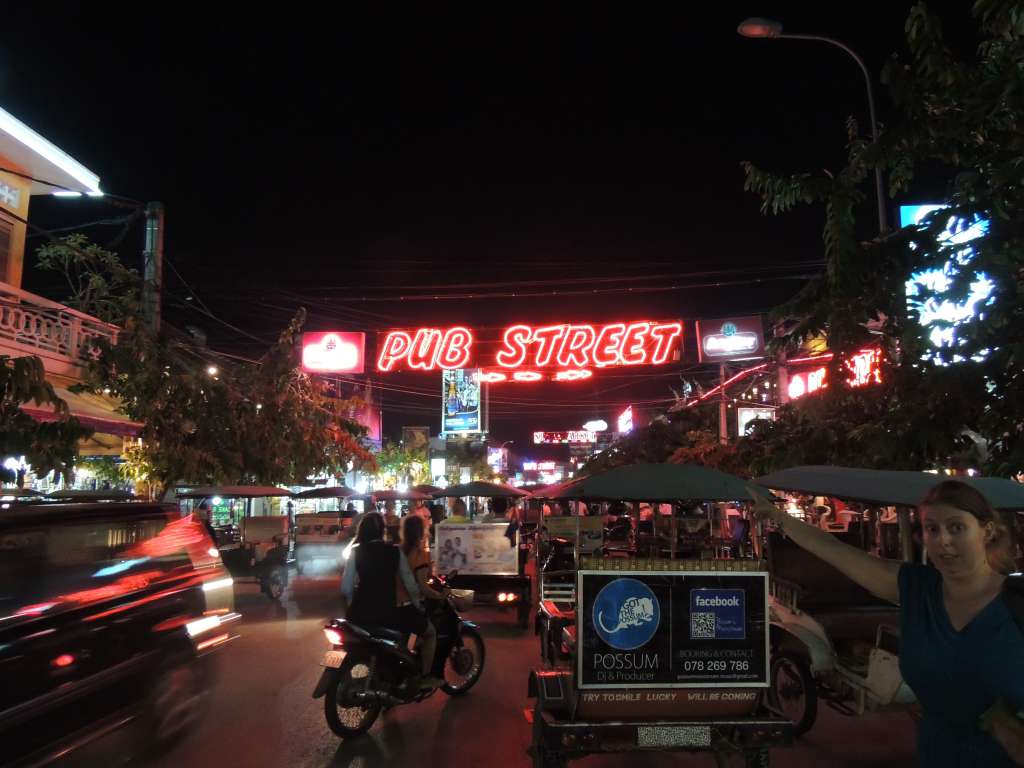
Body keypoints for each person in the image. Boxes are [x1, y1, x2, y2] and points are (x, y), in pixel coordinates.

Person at [753, 480, 1024, 767]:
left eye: (957, 527)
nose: (943, 540)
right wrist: (778, 517)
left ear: (988, 531)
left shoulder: (1016, 602)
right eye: (932, 529)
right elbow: (834, 550)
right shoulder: (917, 589)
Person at [340, 513, 435, 688]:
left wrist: (353, 605)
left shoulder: (356, 551)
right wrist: (419, 606)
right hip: (386, 616)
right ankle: (422, 678)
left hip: (357, 616)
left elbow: (346, 588)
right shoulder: (394, 552)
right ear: (383, 531)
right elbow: (411, 586)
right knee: (424, 634)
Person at [399, 515, 448, 688]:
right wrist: (441, 595)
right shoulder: (418, 555)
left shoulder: (400, 550)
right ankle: (425, 677)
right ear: (421, 532)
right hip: (407, 605)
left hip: (395, 606)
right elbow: (423, 588)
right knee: (430, 633)